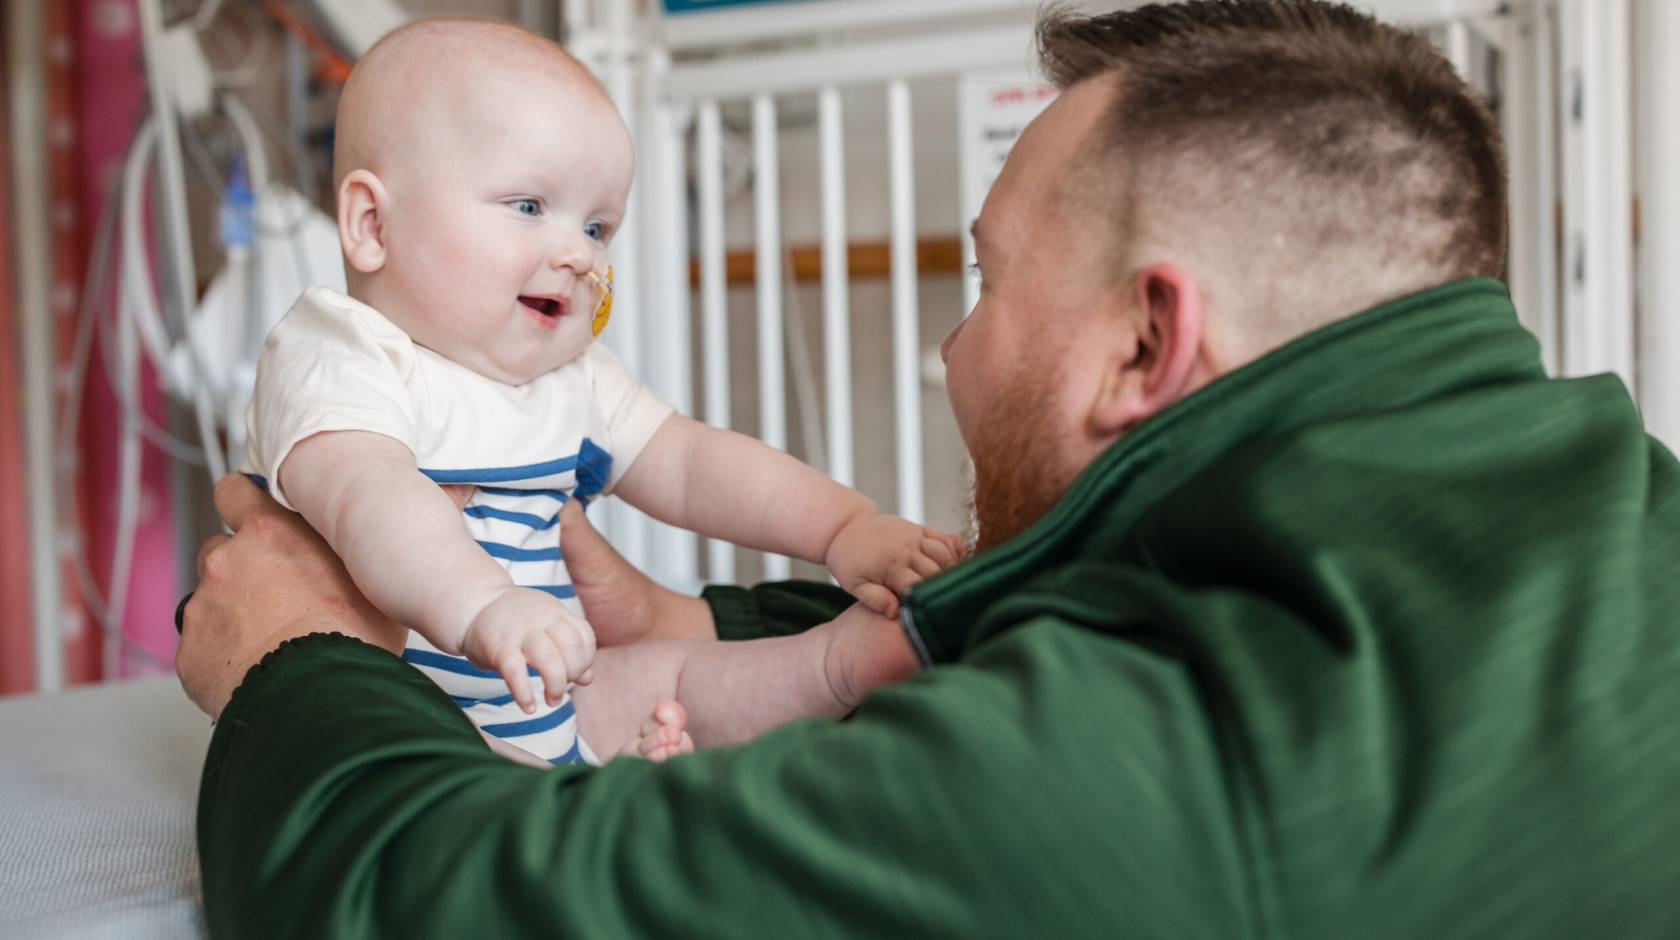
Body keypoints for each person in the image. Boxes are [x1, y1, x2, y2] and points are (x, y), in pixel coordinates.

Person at [179, 1, 1680, 935]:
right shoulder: (1593, 507)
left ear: (1146, 345)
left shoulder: (1163, 780)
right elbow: (1061, 595)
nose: (948, 357)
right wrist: (713, 631)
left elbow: (425, 905)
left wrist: (296, 659)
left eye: (983, 283)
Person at [240, 18, 959, 764]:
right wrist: (482, 604)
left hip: (550, 701)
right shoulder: (345, 356)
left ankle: (836, 669)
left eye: (598, 226)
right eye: (529, 206)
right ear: (371, 223)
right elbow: (371, 496)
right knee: (464, 762)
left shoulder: (570, 379)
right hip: (397, 734)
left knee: (671, 674)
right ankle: (594, 797)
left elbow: (692, 463)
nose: (580, 254)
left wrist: (843, 529)